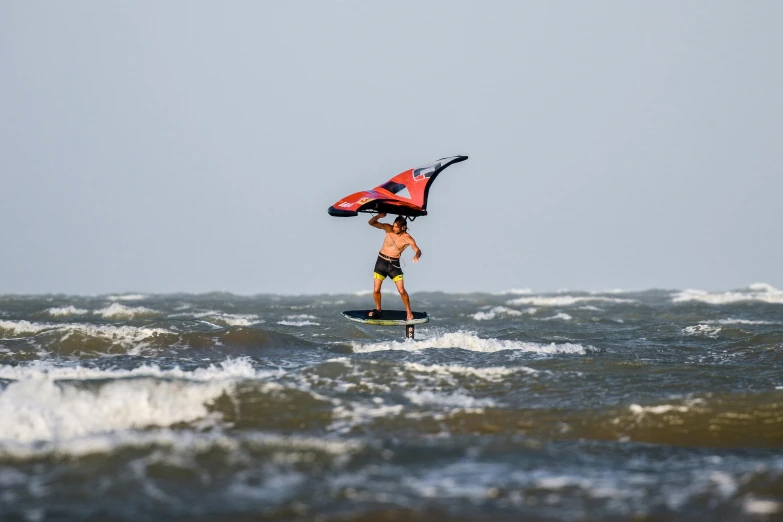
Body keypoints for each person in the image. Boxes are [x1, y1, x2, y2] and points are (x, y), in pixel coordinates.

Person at [367, 213, 421, 320]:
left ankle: (409, 312)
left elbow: (417, 249)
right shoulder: (388, 228)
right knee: (376, 290)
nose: (394, 228)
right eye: (394, 225)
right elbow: (371, 223)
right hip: (381, 262)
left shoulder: (407, 238)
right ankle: (378, 309)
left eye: (396, 227)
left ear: (403, 227)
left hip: (394, 265)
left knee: (401, 290)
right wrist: (378, 216)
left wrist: (416, 255)